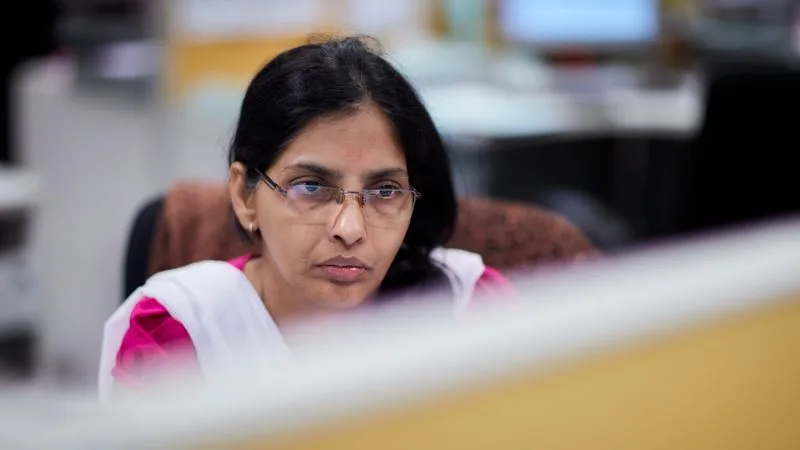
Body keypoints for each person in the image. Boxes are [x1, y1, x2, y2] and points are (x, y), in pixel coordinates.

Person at [98, 36, 512, 399]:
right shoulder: (181, 330)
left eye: (385, 191)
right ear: (245, 195)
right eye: (311, 187)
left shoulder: (470, 307)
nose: (349, 230)